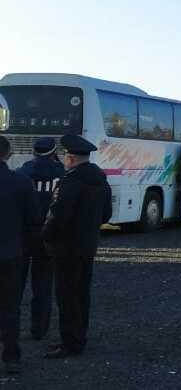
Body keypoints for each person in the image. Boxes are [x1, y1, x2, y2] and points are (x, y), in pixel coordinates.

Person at [42, 134, 112, 359]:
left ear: (71, 158)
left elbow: (58, 214)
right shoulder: (100, 179)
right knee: (82, 293)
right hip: (88, 245)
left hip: (66, 248)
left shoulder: (71, 181)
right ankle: (79, 336)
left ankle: (70, 343)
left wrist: (46, 235)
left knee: (66, 295)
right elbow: (107, 214)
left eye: (65, 156)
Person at [16, 137, 63, 340]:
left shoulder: (23, 172)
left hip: (23, 235)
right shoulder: (61, 173)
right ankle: (39, 330)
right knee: (43, 286)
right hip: (48, 235)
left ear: (34, 152)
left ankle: (9, 328)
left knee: (14, 287)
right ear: (54, 152)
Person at [0, 135, 36, 374]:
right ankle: (11, 357)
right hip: (10, 254)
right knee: (10, 307)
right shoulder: (21, 182)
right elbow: (33, 220)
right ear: (8, 154)